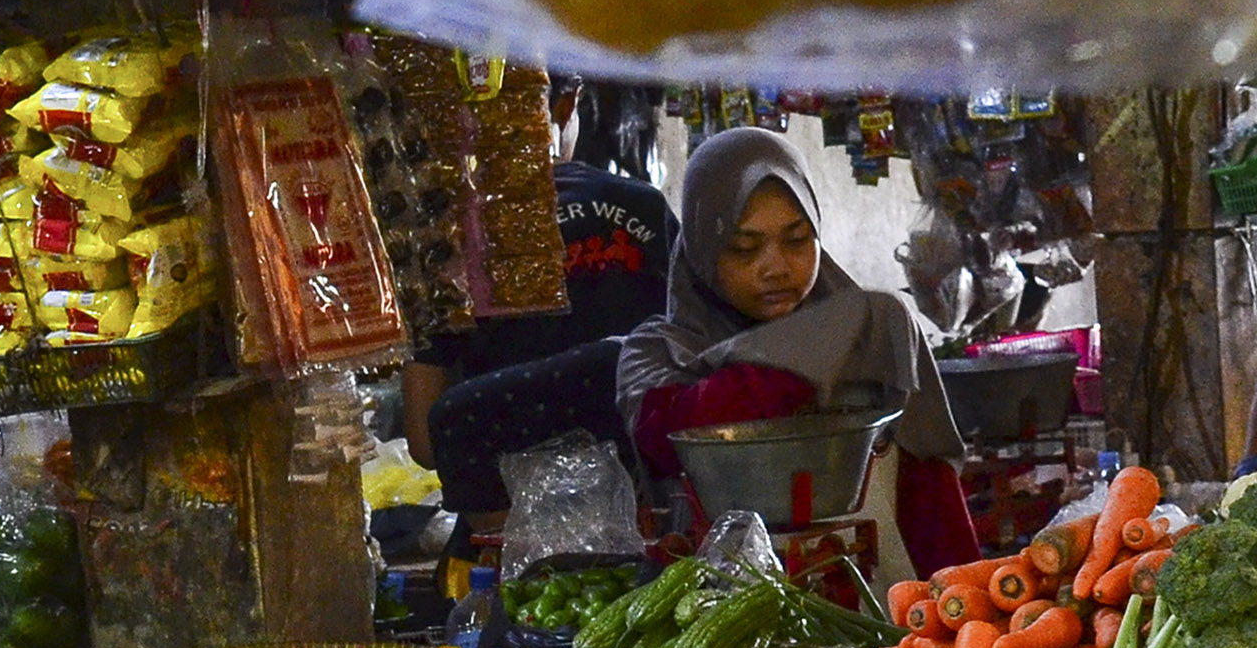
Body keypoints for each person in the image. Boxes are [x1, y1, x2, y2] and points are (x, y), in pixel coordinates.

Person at [616, 126, 977, 576]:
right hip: (730, 619)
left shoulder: (871, 341)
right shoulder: (657, 352)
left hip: (886, 616)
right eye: (744, 248)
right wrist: (818, 352)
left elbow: (932, 501)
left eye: (797, 239)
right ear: (703, 249)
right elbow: (672, 439)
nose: (775, 268)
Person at [400, 78, 674, 532]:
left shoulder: (445, 238)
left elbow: (426, 442)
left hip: (509, 531)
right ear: (567, 106)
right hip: (646, 520)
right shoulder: (644, 206)